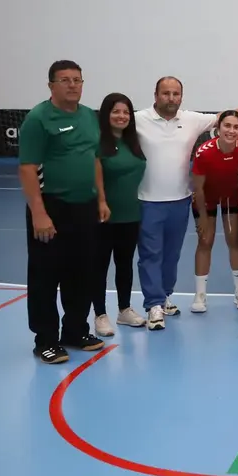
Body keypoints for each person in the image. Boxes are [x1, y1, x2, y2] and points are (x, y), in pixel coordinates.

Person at [18, 60, 107, 363]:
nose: (72, 85)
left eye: (77, 80)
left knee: (82, 272)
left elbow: (94, 160)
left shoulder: (88, 116)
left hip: (85, 208)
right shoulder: (38, 119)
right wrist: (39, 214)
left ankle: (75, 330)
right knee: (45, 275)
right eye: (65, 80)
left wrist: (101, 200)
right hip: (51, 207)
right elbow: (28, 169)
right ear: (51, 85)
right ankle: (45, 339)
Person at [134, 77, 218, 330]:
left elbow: (226, 116)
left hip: (180, 202)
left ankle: (165, 295)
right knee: (151, 254)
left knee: (171, 255)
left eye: (176, 93)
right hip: (147, 202)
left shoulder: (191, 119)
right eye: (166, 93)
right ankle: (153, 305)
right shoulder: (138, 119)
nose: (171, 98)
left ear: (181, 96)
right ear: (156, 94)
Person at [190, 110, 238, 313]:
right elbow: (198, 188)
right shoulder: (204, 152)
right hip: (206, 198)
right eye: (227, 126)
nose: (231, 130)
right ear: (218, 129)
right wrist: (202, 216)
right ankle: (200, 296)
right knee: (205, 241)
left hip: (231, 196)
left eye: (236, 127)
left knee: (233, 239)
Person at [93, 92, 147, 336]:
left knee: (125, 264)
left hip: (131, 214)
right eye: (116, 111)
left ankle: (124, 310)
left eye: (126, 112)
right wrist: (101, 202)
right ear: (106, 115)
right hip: (104, 216)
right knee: (100, 265)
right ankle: (100, 315)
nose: (121, 116)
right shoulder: (97, 143)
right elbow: (94, 178)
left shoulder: (134, 142)